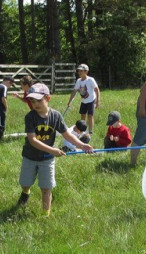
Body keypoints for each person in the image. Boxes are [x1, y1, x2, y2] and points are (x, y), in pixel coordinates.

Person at [17, 83, 93, 216]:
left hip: (47, 159)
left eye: (39, 100)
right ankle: (26, 192)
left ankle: (45, 215)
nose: (35, 104)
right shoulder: (30, 117)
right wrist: (52, 150)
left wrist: (82, 145)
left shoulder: (56, 116)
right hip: (30, 156)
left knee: (46, 188)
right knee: (25, 183)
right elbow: (32, 140)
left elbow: (67, 134)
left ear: (48, 98)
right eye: (32, 101)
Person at [66, 63, 100, 134]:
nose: (79, 72)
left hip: (91, 100)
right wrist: (70, 101)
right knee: (83, 115)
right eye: (78, 71)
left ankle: (90, 131)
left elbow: (97, 89)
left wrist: (97, 101)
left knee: (90, 116)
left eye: (81, 71)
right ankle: (82, 130)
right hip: (84, 101)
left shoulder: (90, 80)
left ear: (86, 71)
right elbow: (74, 91)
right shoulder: (78, 81)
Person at [0, 76, 14, 141]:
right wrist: (6, 107)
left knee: (1, 126)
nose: (10, 86)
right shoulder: (4, 87)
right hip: (0, 110)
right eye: (11, 84)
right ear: (8, 82)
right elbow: (3, 98)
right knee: (1, 126)